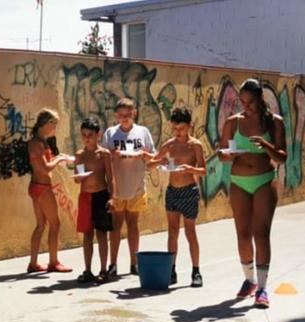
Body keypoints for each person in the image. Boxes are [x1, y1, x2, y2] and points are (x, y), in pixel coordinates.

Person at [219, 79, 287, 309]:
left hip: (264, 180)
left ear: (260, 99)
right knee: (243, 234)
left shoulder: (275, 122)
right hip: (238, 181)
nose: (246, 106)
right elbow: (222, 153)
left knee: (261, 234)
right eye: (242, 101)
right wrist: (227, 155)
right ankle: (249, 280)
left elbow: (282, 157)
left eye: (250, 102)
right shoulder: (232, 123)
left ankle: (263, 288)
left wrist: (265, 146)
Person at [150, 107, 207, 287]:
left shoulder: (195, 145)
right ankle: (171, 269)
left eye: (181, 128)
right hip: (173, 191)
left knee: (190, 232)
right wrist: (161, 161)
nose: (178, 132)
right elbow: (150, 163)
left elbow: (203, 170)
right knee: (172, 231)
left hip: (189, 191)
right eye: (175, 129)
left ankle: (196, 270)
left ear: (189, 126)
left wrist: (191, 170)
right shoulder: (170, 144)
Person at [101, 98, 155, 278]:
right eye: (121, 115)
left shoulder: (143, 132)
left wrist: (143, 154)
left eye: (128, 114)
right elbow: (104, 157)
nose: (124, 118)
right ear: (116, 115)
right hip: (117, 187)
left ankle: (134, 263)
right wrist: (112, 156)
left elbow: (152, 157)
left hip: (137, 186)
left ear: (134, 113)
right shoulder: (111, 133)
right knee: (116, 226)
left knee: (133, 225)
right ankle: (113, 263)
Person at [27, 108, 74, 273]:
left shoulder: (41, 142)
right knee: (55, 224)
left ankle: (33, 263)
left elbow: (44, 162)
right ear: (45, 123)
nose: (55, 128)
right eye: (53, 124)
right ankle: (53, 262)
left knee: (40, 225)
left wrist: (58, 158)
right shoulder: (36, 143)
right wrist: (60, 158)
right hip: (42, 187)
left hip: (37, 186)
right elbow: (45, 168)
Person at [73, 118, 114, 284]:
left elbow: (110, 178)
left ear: (98, 135)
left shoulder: (103, 154)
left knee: (102, 234)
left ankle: (104, 270)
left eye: (90, 134)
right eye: (83, 135)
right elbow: (77, 178)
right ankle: (87, 270)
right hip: (85, 197)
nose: (86, 138)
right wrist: (78, 178)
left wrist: (113, 197)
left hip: (101, 195)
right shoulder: (79, 155)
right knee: (87, 235)